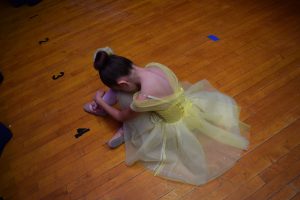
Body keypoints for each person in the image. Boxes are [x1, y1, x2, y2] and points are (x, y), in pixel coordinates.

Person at [84, 47, 250, 185]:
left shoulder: (143, 98)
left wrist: (100, 99)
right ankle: (124, 128)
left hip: (170, 125)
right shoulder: (154, 66)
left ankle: (118, 123)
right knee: (129, 100)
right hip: (187, 106)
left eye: (120, 87)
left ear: (123, 84)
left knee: (127, 104)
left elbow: (121, 116)